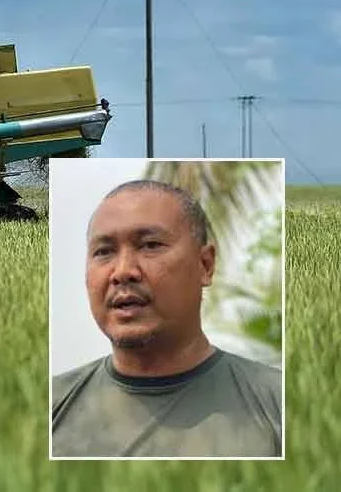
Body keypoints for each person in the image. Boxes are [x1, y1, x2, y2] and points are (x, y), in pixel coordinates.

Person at [51, 179, 283, 458]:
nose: (123, 271)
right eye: (104, 252)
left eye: (150, 245)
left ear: (205, 265)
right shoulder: (50, 406)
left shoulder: (278, 403)